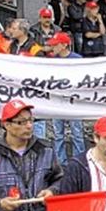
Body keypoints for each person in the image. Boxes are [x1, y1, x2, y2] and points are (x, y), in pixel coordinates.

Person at [44, 33, 86, 164]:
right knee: (58, 134)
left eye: (55, 45)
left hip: (73, 100)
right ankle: (60, 161)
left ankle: (79, 161)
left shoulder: (77, 60)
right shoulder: (52, 60)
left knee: (76, 133)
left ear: (64, 45)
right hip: (58, 100)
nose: (53, 47)